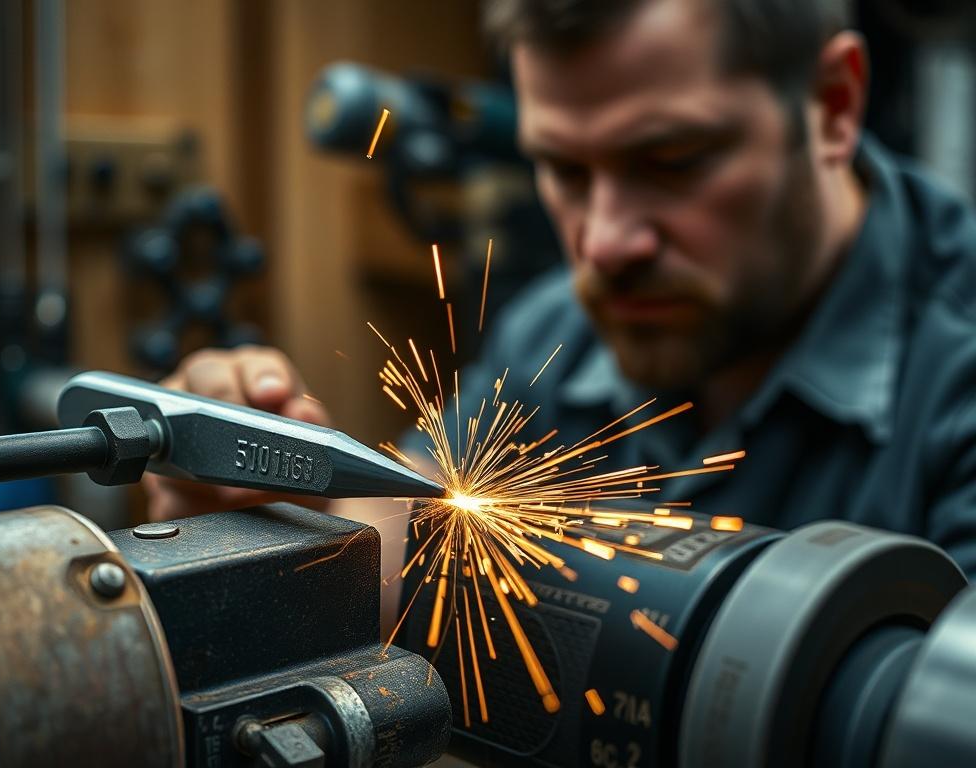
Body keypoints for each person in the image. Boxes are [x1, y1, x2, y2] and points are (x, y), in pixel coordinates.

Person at [147, 0, 976, 582]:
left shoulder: (957, 369)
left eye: (673, 161)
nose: (606, 242)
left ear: (833, 106)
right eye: (564, 169)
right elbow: (409, 536)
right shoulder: (556, 332)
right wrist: (271, 505)